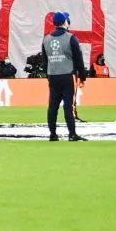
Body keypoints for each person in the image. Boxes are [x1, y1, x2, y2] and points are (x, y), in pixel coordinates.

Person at [42, 11, 87, 142]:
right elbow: (78, 59)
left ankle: (52, 134)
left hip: (53, 75)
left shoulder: (46, 39)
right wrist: (82, 76)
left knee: (52, 106)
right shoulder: (70, 38)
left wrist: (48, 75)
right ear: (65, 22)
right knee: (69, 106)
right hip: (67, 75)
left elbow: (45, 61)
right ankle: (72, 134)